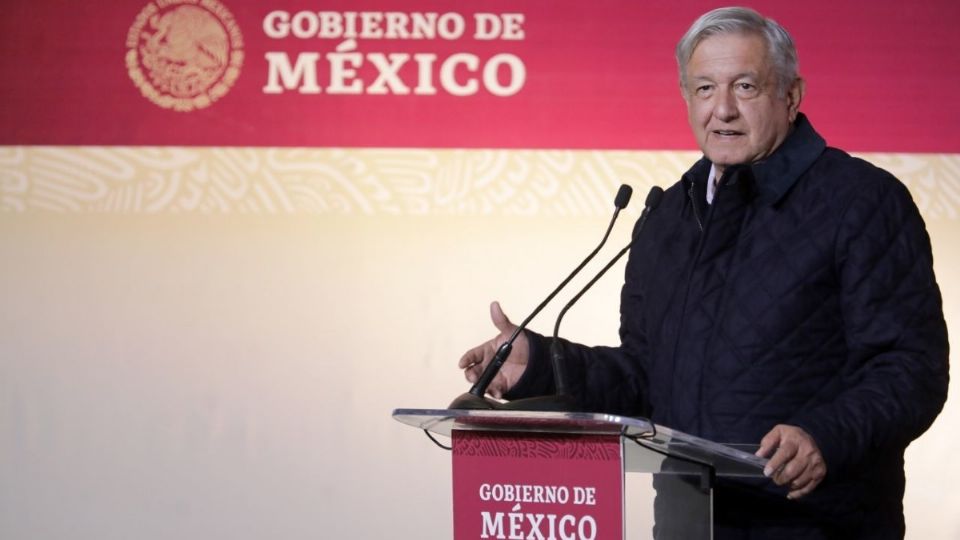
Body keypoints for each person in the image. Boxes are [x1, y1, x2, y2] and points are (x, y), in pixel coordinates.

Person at [457, 6, 949, 539]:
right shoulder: (668, 216)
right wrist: (541, 365)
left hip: (814, 524)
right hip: (687, 523)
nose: (723, 110)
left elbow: (910, 367)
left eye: (745, 86)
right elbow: (645, 377)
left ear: (791, 95)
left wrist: (823, 436)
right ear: (687, 99)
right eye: (704, 89)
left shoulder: (861, 202)